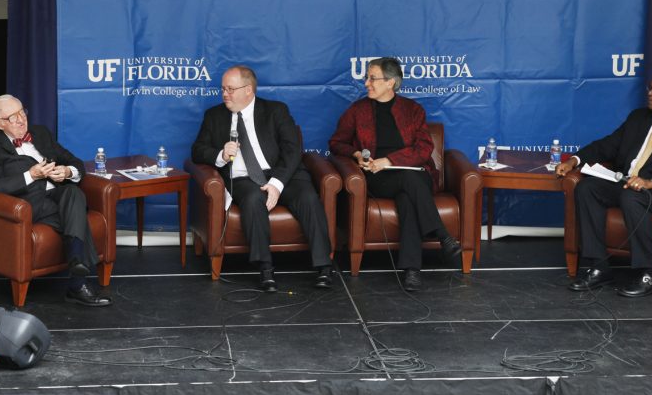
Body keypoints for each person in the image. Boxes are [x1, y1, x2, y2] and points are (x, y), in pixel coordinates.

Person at [555, 70, 652, 297]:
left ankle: (650, 273)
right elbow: (608, 145)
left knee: (632, 197)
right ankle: (599, 266)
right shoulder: (639, 117)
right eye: (650, 89)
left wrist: (651, 182)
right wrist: (574, 160)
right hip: (624, 181)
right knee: (587, 188)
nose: (650, 94)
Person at [191, 65, 333, 292]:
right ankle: (265, 268)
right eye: (223, 89)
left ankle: (324, 266)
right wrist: (220, 154)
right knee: (253, 198)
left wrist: (277, 183)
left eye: (230, 89)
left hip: (281, 174)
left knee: (307, 196)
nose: (225, 94)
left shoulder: (275, 111)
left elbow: (292, 149)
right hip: (242, 178)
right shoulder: (214, 116)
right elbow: (197, 150)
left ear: (248, 90)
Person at [328, 57, 462, 291]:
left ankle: (412, 271)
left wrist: (389, 160)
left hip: (413, 172)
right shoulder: (357, 111)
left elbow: (423, 149)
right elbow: (337, 143)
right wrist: (357, 155)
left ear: (390, 83)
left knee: (408, 197)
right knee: (410, 183)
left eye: (372, 78)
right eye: (366, 78)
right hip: (378, 178)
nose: (367, 83)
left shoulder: (413, 110)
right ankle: (442, 235)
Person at [0, 94, 112, 307]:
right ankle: (77, 282)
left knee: (74, 193)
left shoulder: (40, 133)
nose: (21, 119)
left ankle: (76, 262)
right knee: (74, 211)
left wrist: (68, 171)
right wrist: (32, 175)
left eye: (22, 112)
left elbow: (74, 161)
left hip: (58, 194)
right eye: (13, 117)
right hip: (28, 203)